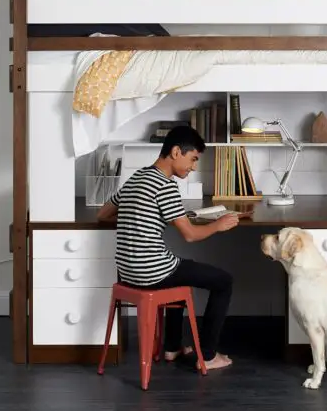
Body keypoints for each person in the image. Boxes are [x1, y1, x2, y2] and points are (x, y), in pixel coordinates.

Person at [96, 125, 239, 371]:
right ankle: (207, 355)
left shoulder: (138, 177)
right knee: (223, 281)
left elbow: (103, 214)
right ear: (175, 152)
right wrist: (219, 224)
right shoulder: (166, 186)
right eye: (193, 159)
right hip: (151, 272)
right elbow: (191, 235)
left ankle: (172, 347)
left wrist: (135, 215)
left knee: (180, 268)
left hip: (128, 271)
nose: (193, 166)